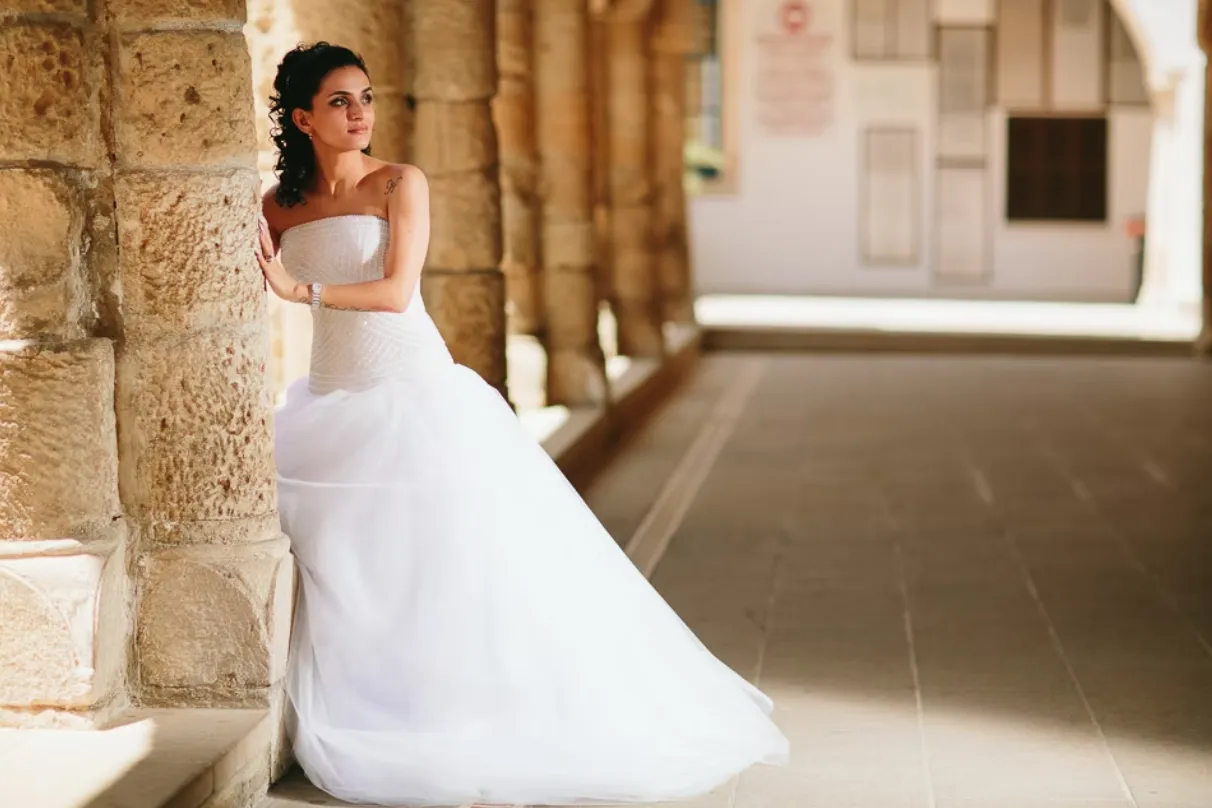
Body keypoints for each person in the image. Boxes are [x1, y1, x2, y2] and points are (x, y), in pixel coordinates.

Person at [255, 41, 789, 807]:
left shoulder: (400, 183)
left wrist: (296, 288)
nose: (360, 112)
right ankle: (372, 705)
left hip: (411, 391)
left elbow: (396, 293)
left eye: (366, 97)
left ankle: (447, 711)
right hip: (327, 400)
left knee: (433, 564)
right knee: (347, 565)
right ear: (302, 116)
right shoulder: (277, 206)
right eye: (340, 101)